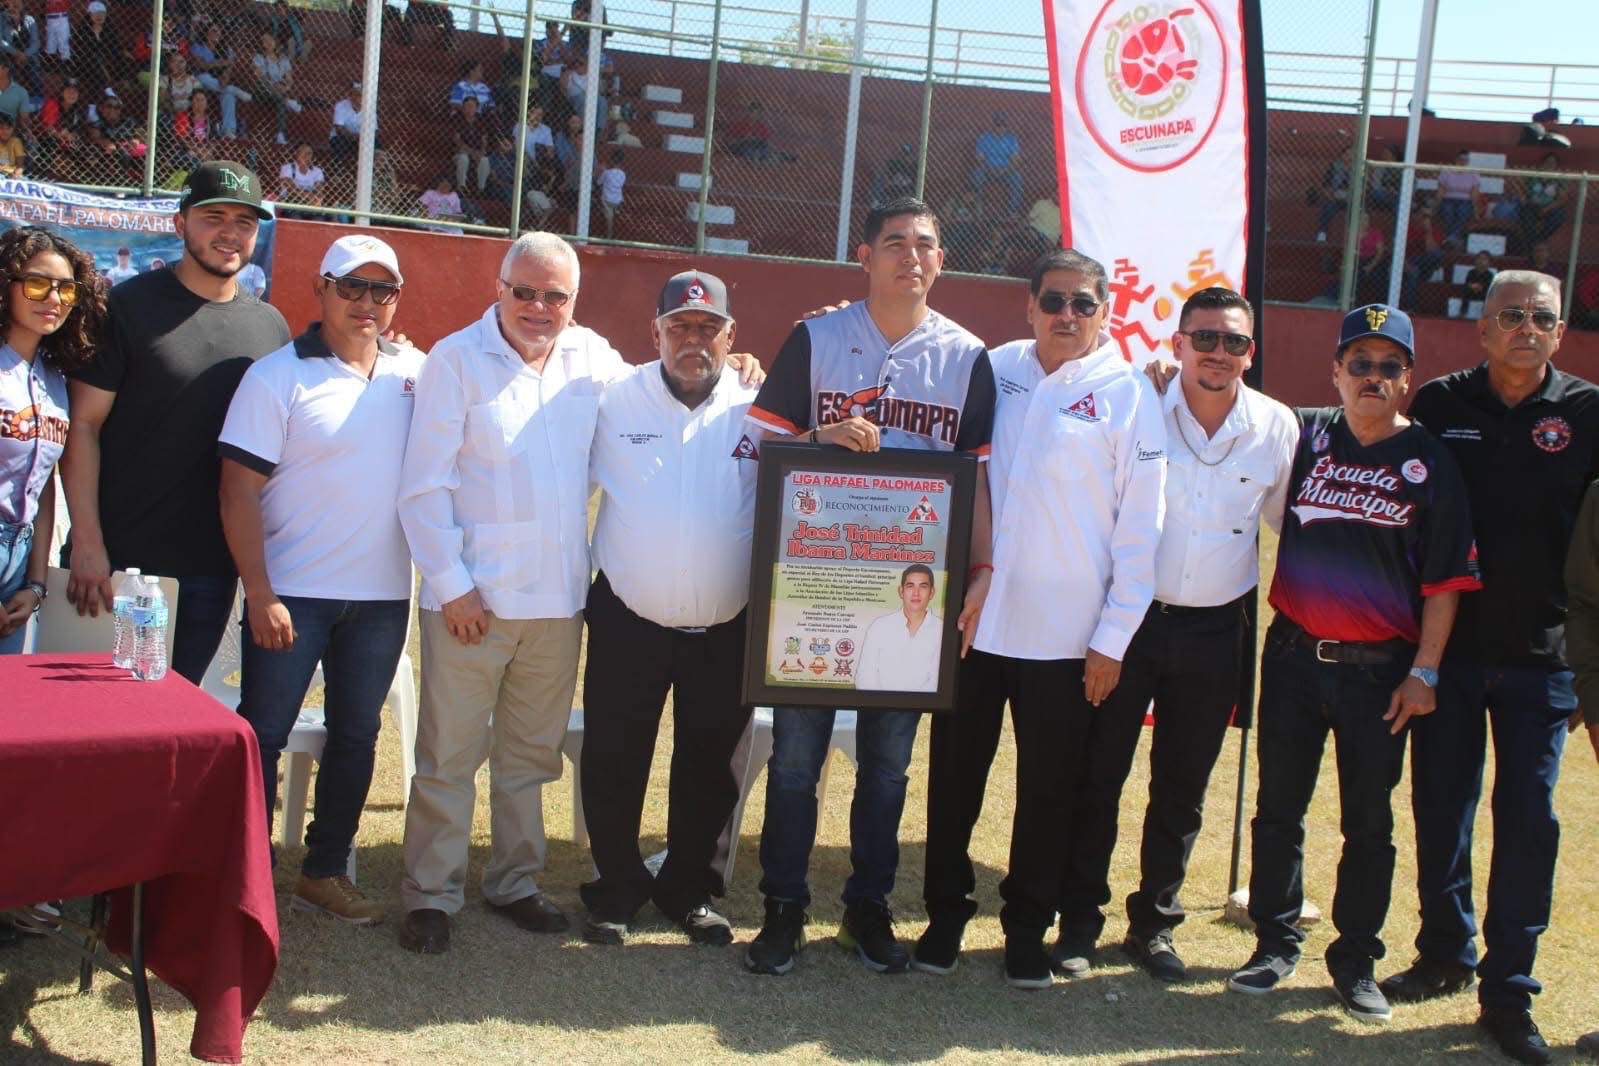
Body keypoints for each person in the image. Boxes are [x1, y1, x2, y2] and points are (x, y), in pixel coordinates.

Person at [742, 196, 995, 977]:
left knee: (887, 767)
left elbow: (979, 479)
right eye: (893, 243)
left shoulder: (965, 356)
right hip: (817, 580)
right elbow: (759, 447)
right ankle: (783, 907)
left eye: (924, 244)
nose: (909, 257)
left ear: (940, 259)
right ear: (864, 255)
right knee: (794, 761)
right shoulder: (815, 338)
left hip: (910, 595)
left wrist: (981, 570)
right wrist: (818, 438)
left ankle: (867, 907)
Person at [914, 248, 1166, 989]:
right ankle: (944, 916)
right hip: (976, 624)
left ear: (1104, 313)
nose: (1066, 315)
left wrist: (1111, 640)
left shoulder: (1128, 394)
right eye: (1053, 301)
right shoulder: (994, 369)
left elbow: (1140, 531)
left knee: (1049, 792)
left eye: (1083, 304)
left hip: (1067, 639)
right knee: (953, 782)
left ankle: (1026, 927)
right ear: (1028, 306)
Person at [1227, 304, 1480, 1025]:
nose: (1373, 377)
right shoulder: (1305, 437)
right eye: (1359, 364)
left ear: (1408, 378)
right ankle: (1274, 942)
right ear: (1335, 371)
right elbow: (1229, 414)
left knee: (1368, 823)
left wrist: (1424, 672)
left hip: (1380, 672)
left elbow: (1445, 583)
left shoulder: (1430, 462)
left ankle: (1356, 959)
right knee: (1278, 809)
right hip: (1293, 657)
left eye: (1388, 366)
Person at [1387, 271, 1598, 1065]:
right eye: (1509, 315)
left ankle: (1507, 992)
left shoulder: (1588, 413)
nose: (1525, 328)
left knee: (1527, 823)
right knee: (1441, 809)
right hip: (1446, 653)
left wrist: (1587, 665)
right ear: (1481, 330)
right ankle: (1444, 953)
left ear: (1559, 331)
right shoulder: (1441, 404)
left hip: (1543, 662)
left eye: (1540, 317)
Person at [392, 233, 623, 954]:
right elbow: (423, 487)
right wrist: (453, 587)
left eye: (555, 295)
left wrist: (738, 366)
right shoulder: (456, 359)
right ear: (498, 288)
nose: (538, 307)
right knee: (449, 757)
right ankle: (431, 894)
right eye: (524, 291)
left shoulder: (594, 359)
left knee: (529, 758)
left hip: (557, 602)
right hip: (473, 603)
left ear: (574, 300)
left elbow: (660, 401)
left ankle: (515, 881)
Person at [218, 234, 416, 926]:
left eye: (382, 290)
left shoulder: (416, 372)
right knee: (263, 735)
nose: (367, 302)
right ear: (320, 289)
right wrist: (261, 592)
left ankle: (324, 872)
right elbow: (237, 493)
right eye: (351, 286)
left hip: (383, 598)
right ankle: (241, 877)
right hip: (292, 595)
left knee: (356, 736)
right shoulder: (275, 377)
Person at [1105, 288, 1298, 983]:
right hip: (1129, 622)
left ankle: (1153, 924)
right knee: (1099, 771)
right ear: (1178, 342)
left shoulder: (1276, 425)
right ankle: (1077, 914)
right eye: (1205, 338)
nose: (1219, 352)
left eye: (1234, 341)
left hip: (1218, 630)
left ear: (1250, 351)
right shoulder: (1139, 404)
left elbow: (1290, 526)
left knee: (1182, 786)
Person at [578, 270, 758, 948]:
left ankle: (689, 888)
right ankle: (617, 887)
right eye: (679, 326)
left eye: (708, 328)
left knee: (711, 764)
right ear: (654, 332)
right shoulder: (612, 399)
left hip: (726, 623)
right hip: (629, 617)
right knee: (614, 756)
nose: (693, 340)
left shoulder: (759, 405)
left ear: (730, 336)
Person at [61, 161, 291, 684]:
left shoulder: (270, 327)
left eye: (244, 221)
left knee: (174, 718)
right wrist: (89, 543)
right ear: (180, 222)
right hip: (120, 566)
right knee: (95, 719)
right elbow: (84, 426)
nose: (230, 233)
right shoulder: (127, 306)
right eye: (213, 218)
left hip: (210, 572)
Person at [0, 227, 104, 653]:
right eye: (37, 284)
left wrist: (36, 583)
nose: (54, 298)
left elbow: (43, 485)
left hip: (20, 560)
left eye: (66, 288)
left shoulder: (54, 378)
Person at [854, 565, 941, 693]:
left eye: (923, 586)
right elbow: (865, 677)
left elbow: (937, 683)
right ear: (901, 591)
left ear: (932, 592)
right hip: (877, 703)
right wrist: (883, 702)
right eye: (910, 586)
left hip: (923, 704)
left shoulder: (942, 630)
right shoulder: (879, 626)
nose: (916, 593)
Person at [190, 21, 252, 140]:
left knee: (228, 95)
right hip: (202, 81)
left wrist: (224, 78)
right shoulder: (198, 47)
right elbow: (202, 65)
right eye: (213, 30)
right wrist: (223, 62)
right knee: (204, 77)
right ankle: (233, 89)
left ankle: (228, 130)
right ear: (206, 33)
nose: (217, 33)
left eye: (219, 31)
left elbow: (228, 70)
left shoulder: (226, 50)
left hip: (219, 83)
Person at [249, 29, 301, 146]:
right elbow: (259, 76)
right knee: (265, 86)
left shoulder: (283, 59)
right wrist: (273, 85)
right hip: (264, 90)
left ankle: (280, 134)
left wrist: (286, 87)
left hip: (279, 92)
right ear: (261, 44)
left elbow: (289, 79)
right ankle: (288, 102)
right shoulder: (258, 57)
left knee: (280, 99)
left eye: (270, 39)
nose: (268, 42)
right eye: (264, 40)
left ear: (275, 41)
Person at [972, 111, 1023, 216]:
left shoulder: (1011, 139)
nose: (1000, 127)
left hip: (1006, 170)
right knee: (976, 176)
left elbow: (1016, 161)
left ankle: (1012, 211)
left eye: (1003, 124)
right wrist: (988, 168)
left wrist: (1005, 170)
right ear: (993, 125)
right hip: (987, 169)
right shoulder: (984, 138)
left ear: (1006, 126)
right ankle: (978, 209)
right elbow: (979, 159)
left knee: (1017, 179)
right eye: (998, 124)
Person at [1519, 153, 1570, 254]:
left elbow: (1563, 199)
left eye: (1552, 163)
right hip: (1533, 205)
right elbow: (1523, 192)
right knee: (1525, 213)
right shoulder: (1533, 176)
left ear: (1556, 165)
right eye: (1547, 162)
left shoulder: (1560, 178)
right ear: (1542, 163)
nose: (1549, 164)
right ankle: (1534, 242)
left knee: (1558, 217)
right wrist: (1523, 199)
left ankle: (1538, 241)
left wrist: (1546, 209)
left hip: (1551, 207)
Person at [1436, 149, 1482, 243]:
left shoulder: (1473, 173)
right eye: (1461, 159)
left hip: (1465, 201)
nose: (1463, 162)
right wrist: (1435, 207)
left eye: (1466, 160)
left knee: (1463, 212)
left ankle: (1450, 237)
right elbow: (1440, 191)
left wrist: (1476, 212)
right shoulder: (1446, 171)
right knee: (1447, 212)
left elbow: (1474, 194)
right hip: (1448, 199)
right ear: (1456, 159)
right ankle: (1453, 238)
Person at [0, 0, 42, 97]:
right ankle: (8, 96)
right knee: (9, 68)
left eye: (18, 2)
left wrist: (24, 54)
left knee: (34, 69)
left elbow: (36, 42)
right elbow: (1, 41)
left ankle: (37, 97)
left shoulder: (30, 20)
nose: (15, 4)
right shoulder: (1, 18)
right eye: (12, 2)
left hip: (26, 55)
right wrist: (16, 53)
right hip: (8, 54)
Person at [451, 94, 491, 195]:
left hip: (476, 152)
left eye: (472, 106)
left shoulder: (481, 120)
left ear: (477, 108)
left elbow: (484, 139)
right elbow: (457, 140)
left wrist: (482, 152)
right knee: (464, 158)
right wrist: (471, 152)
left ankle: (481, 188)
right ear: (463, 108)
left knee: (485, 160)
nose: (469, 109)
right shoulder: (457, 119)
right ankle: (462, 186)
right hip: (460, 152)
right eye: (467, 106)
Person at [328, 83, 369, 164]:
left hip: (362, 139)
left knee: (376, 144)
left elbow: (374, 130)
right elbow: (339, 128)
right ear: (350, 95)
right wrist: (354, 137)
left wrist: (363, 138)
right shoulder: (341, 105)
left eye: (359, 94)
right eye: (353, 94)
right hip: (342, 137)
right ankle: (337, 167)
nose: (356, 97)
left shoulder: (369, 107)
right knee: (340, 143)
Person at [277, 141, 325, 209]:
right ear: (296, 153)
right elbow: (291, 189)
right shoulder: (287, 168)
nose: (306, 155)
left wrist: (317, 197)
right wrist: (309, 196)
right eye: (303, 152)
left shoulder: (317, 171)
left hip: (311, 201)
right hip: (291, 201)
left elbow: (319, 188)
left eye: (309, 153)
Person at [595, 148, 624, 240]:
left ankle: (609, 236)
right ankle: (616, 211)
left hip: (607, 199)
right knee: (611, 215)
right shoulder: (623, 174)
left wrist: (601, 170)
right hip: (618, 199)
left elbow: (598, 183)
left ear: (611, 160)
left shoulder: (607, 172)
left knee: (609, 218)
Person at [0, 113, 23, 177]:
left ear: (13, 129)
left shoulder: (16, 142)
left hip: (11, 172)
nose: (5, 131)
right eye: (1, 128)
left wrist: (16, 173)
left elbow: (20, 165)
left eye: (8, 128)